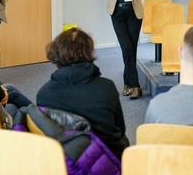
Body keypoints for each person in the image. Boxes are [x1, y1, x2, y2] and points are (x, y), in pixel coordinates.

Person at [36, 27, 129, 159]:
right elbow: (119, 131)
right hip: (107, 159)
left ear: (56, 52)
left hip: (65, 161)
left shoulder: (44, 94)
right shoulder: (106, 87)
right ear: (88, 52)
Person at [89, 0, 146, 99]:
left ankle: (128, 83)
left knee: (131, 50)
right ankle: (136, 86)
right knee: (126, 48)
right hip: (117, 14)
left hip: (134, 15)